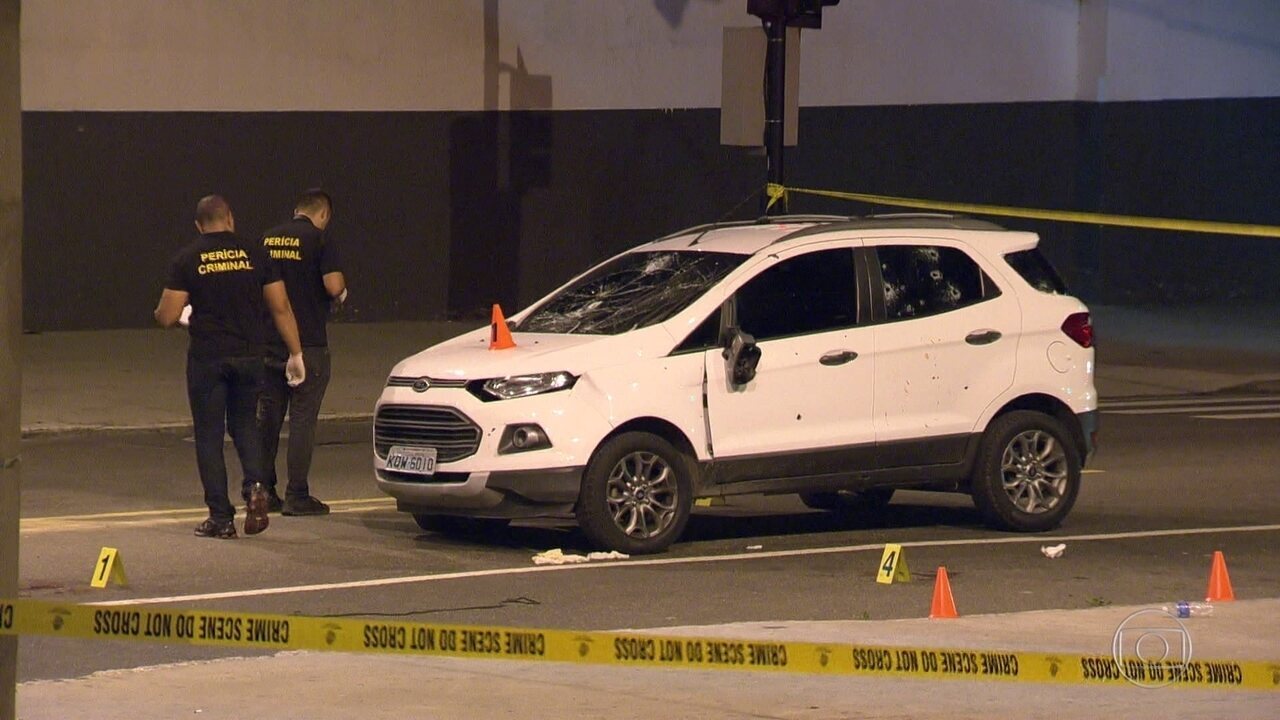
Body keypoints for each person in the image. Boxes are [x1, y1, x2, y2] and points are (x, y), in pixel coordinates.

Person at [155, 195, 306, 539]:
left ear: (199, 225)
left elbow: (166, 316)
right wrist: (296, 354)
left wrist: (183, 314)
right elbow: (280, 307)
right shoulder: (256, 253)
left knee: (208, 435)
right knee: (245, 426)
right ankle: (256, 486)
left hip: (209, 357)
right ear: (230, 219)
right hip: (251, 355)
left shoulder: (187, 258)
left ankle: (221, 519)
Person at [257, 188, 347, 516]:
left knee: (268, 418)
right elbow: (333, 286)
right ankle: (297, 494)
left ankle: (263, 490)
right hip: (308, 342)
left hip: (269, 342)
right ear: (323, 214)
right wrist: (342, 293)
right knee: (302, 419)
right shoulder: (320, 240)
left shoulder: (267, 239)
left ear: (297, 209)